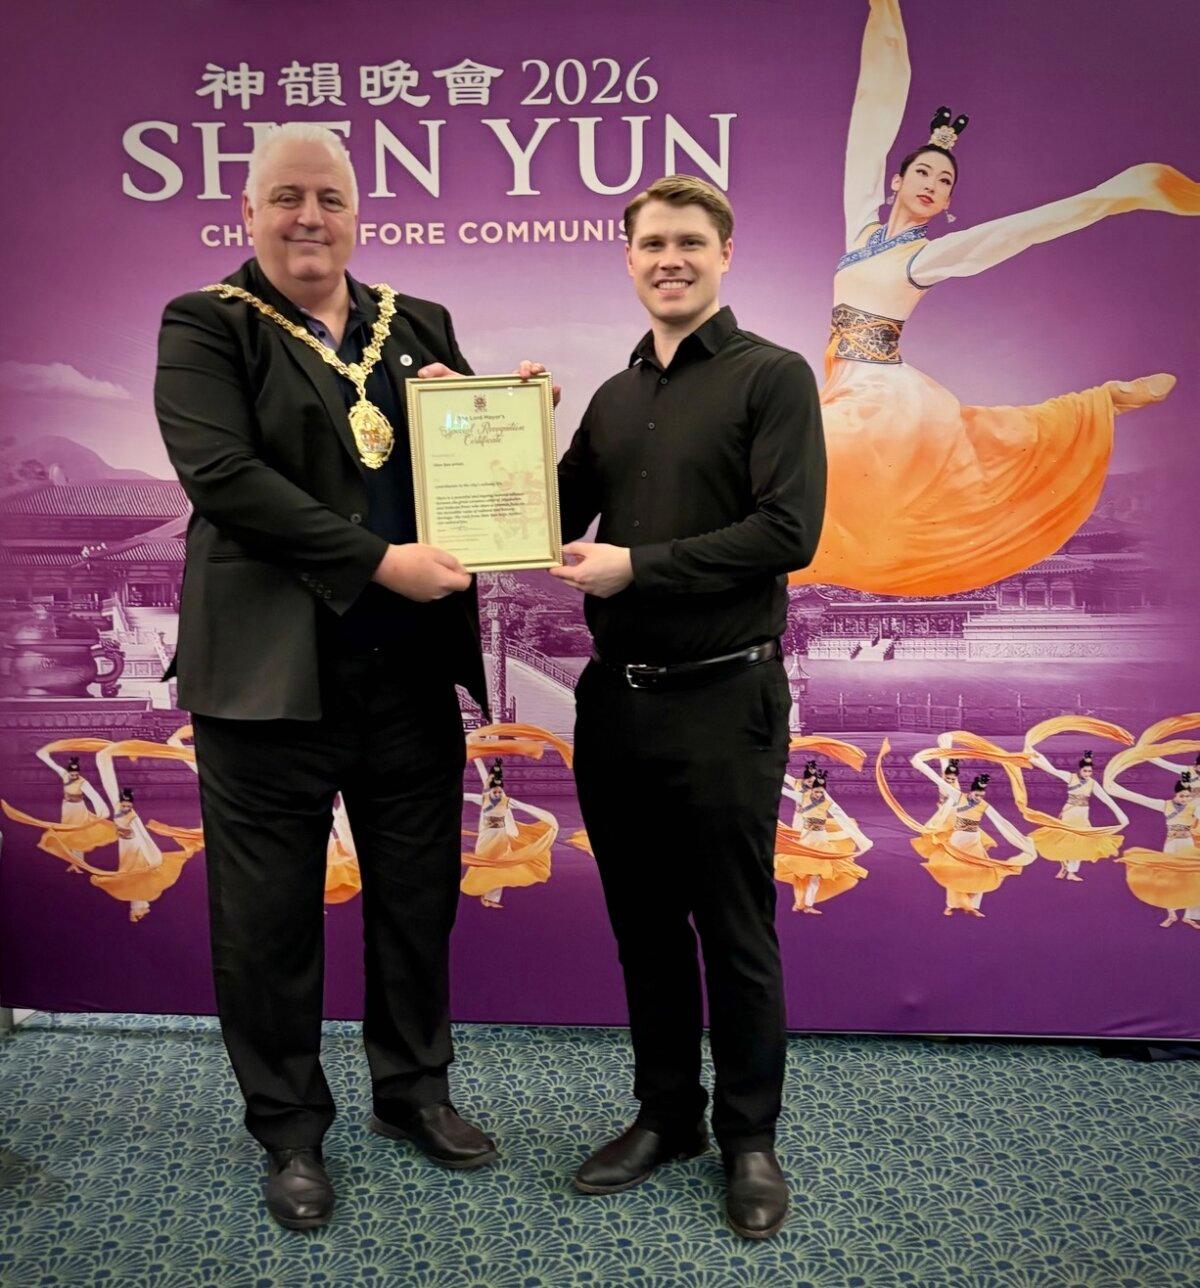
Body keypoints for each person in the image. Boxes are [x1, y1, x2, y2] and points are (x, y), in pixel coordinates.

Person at [154, 122, 509, 1229]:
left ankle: (412, 1091)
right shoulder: (206, 326)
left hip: (406, 673)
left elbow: (464, 478)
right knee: (267, 923)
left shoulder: (421, 325)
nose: (311, 217)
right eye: (288, 198)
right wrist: (376, 562)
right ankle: (292, 1130)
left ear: (361, 213)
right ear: (247, 213)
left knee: (416, 902)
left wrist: (490, 416)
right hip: (266, 683)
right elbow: (224, 478)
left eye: (332, 199)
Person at [551, 174, 826, 1239]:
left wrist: (639, 567)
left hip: (725, 699)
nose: (669, 258)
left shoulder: (773, 377)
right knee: (645, 930)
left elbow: (786, 532)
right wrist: (474, 414)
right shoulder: (614, 396)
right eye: (650, 243)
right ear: (628, 260)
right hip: (615, 705)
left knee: (735, 930)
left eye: (688, 242)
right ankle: (667, 1114)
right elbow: (544, 507)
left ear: (724, 253)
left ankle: (750, 1138)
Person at [790, 0, 1200, 598]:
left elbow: (1021, 230)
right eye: (924, 173)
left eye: (946, 181)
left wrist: (1118, 194)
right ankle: (1107, 401)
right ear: (897, 180)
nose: (933, 185)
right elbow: (871, 115)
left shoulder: (925, 257)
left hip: (882, 399)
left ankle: (1100, 406)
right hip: (844, 383)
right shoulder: (860, 229)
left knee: (811, 458)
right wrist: (885, 15)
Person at [1026, 750, 1128, 881]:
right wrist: (1035, 758)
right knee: (1063, 842)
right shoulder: (1070, 777)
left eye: (1090, 771)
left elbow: (1106, 799)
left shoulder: (1092, 783)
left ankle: (1072, 872)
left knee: (1080, 844)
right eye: (1085, 771)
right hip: (1068, 815)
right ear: (1080, 770)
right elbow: (1052, 770)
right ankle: (1064, 867)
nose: (1087, 774)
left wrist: (1120, 814)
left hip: (1082, 817)